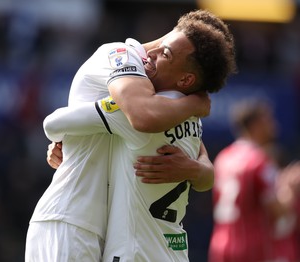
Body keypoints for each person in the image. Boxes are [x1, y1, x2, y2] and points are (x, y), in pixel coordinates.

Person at [26, 9, 235, 261]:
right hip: (71, 221)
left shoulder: (160, 109)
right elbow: (142, 116)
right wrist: (195, 106)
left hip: (106, 235)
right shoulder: (125, 61)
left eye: (166, 53)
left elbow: (54, 122)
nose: (155, 52)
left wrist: (198, 170)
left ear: (187, 79)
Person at [208, 98, 300, 262]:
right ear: (256, 125)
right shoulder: (260, 162)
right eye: (269, 120)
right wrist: (289, 190)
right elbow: (278, 211)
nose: (274, 126)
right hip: (252, 249)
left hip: (220, 245)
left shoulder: (223, 158)